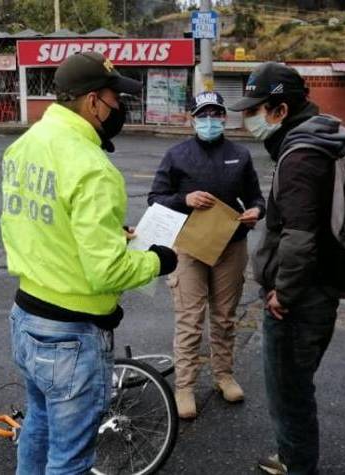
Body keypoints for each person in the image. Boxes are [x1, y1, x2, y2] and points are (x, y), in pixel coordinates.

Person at [0, 52, 178, 474]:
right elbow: (108, 272)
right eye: (117, 98)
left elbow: (38, 224)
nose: (121, 108)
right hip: (70, 336)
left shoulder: (25, 145)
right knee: (70, 459)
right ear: (94, 102)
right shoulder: (92, 166)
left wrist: (108, 235)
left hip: (26, 318)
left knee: (38, 429)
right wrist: (158, 261)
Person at [228, 62, 345, 475]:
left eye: (257, 109)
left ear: (280, 110)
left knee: (290, 389)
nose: (250, 119)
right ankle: (294, 457)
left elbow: (300, 236)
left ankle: (296, 464)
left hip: (301, 298)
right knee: (295, 384)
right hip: (318, 287)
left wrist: (283, 290)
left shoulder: (301, 156)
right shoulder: (313, 140)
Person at [148, 91, 266, 419]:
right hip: (188, 245)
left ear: (224, 118)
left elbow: (257, 198)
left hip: (231, 245)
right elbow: (155, 197)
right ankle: (184, 385)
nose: (210, 120)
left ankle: (223, 374)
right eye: (203, 115)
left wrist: (257, 210)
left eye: (216, 114)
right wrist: (184, 200)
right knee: (189, 318)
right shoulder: (177, 155)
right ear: (193, 118)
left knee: (225, 316)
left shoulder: (239, 155)